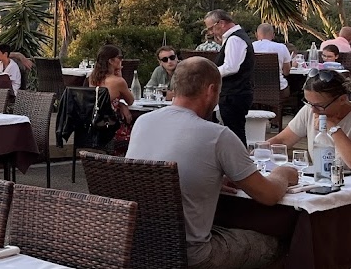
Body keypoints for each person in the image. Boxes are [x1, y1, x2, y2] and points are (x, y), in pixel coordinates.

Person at [127, 57, 297, 269]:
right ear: (211, 90)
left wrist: (209, 179)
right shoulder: (218, 136)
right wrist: (283, 173)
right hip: (192, 255)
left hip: (137, 247)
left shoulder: (143, 122)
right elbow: (268, 195)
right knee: (281, 244)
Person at [268, 68, 351, 167]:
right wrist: (259, 151)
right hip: (319, 175)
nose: (313, 110)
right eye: (309, 103)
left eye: (319, 106)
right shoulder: (310, 109)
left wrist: (333, 129)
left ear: (342, 99)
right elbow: (282, 141)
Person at [204, 9, 254, 145]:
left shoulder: (235, 39)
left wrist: (208, 73)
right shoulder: (236, 37)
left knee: (235, 133)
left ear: (221, 23)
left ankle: (239, 158)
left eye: (211, 28)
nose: (211, 32)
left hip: (234, 93)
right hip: (237, 92)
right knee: (234, 132)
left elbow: (231, 67)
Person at [252, 23, 291, 118]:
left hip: (253, 89)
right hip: (278, 90)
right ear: (273, 35)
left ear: (256, 35)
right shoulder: (281, 47)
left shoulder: (249, 47)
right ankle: (276, 120)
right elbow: (286, 72)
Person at [88, 45, 134, 124]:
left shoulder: (92, 78)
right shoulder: (118, 81)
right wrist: (120, 77)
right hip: (111, 125)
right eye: (119, 57)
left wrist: (120, 104)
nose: (121, 60)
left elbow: (100, 103)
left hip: (95, 123)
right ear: (111, 61)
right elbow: (130, 101)